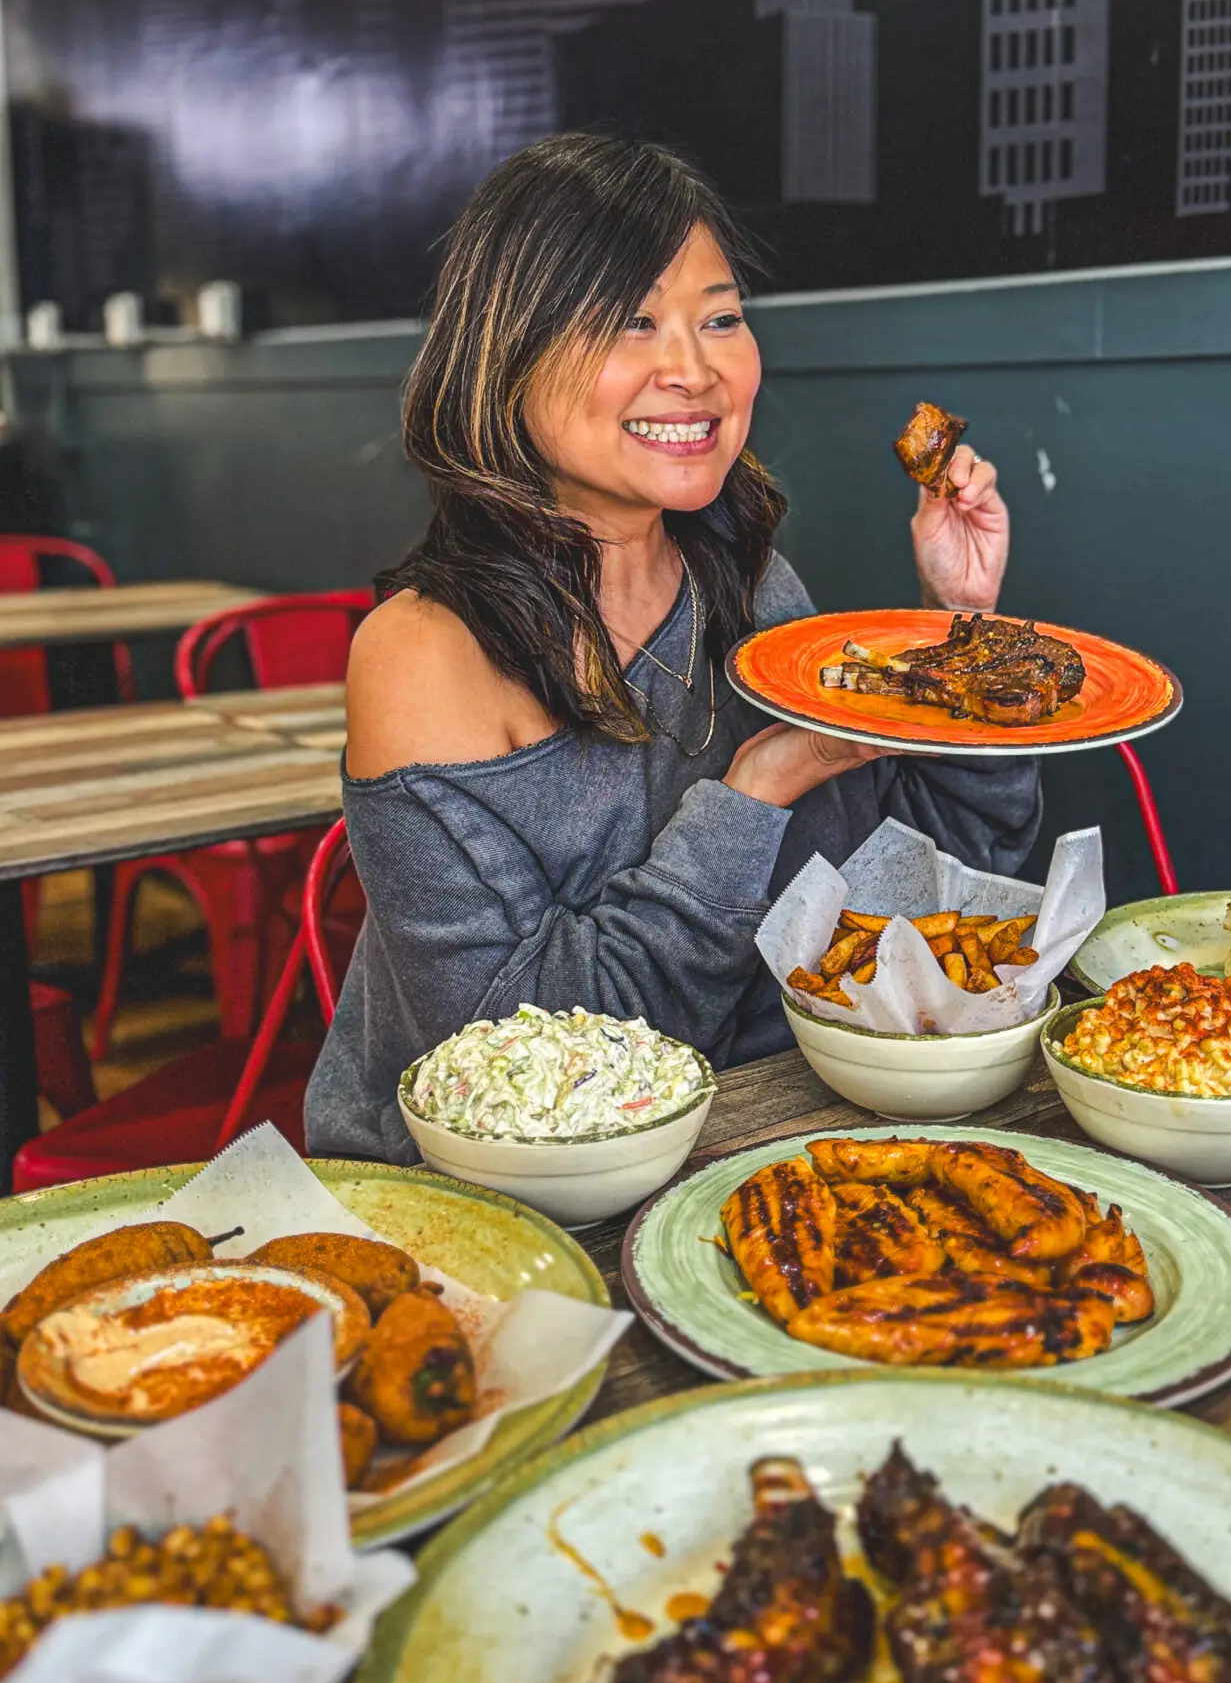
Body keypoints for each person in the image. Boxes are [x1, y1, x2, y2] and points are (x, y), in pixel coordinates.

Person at [306, 134, 1041, 1162]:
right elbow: (533, 1069)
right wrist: (752, 791)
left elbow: (928, 888)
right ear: (503, 351)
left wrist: (955, 635)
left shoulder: (745, 584)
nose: (692, 370)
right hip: (498, 1198)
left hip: (765, 1123)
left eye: (720, 319)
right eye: (629, 322)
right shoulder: (425, 652)